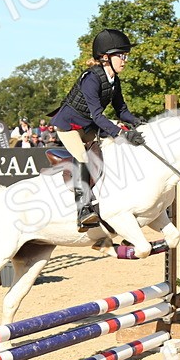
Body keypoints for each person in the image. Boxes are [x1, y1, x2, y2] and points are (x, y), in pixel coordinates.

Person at [50, 28, 145, 229]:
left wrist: (139, 123)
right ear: (105, 57)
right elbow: (98, 115)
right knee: (83, 158)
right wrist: (121, 132)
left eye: (125, 55)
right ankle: (83, 209)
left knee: (114, 147)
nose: (124, 60)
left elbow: (122, 110)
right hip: (68, 126)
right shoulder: (91, 79)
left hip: (88, 124)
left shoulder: (114, 81)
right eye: (121, 55)